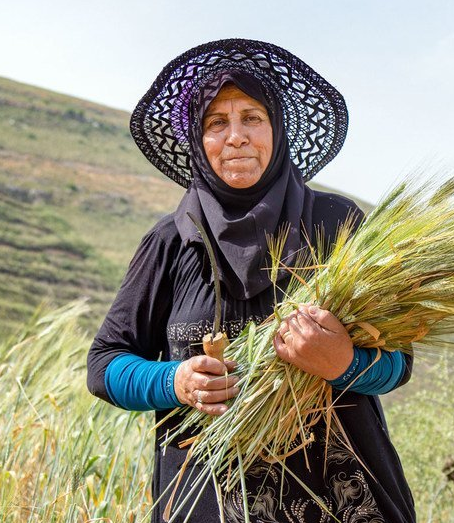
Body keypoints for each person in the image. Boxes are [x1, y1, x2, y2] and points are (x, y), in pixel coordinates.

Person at [87, 39, 416, 523]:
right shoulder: (169, 242)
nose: (235, 136)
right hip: (204, 503)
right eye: (216, 123)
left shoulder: (336, 224)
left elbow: (399, 362)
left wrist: (343, 362)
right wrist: (174, 381)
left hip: (345, 503)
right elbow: (104, 365)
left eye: (252, 118)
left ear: (277, 131)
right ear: (199, 142)